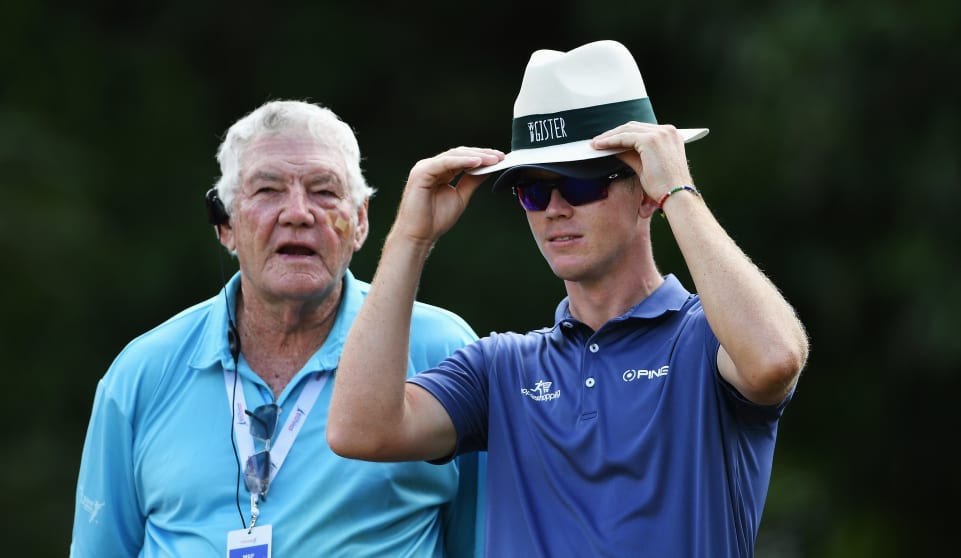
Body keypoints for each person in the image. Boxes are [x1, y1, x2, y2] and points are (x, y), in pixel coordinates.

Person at [327, 40, 810, 557]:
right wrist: (411, 239)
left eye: (579, 185)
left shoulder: (706, 338)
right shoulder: (502, 368)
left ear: (646, 189)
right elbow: (360, 429)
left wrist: (680, 192)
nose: (554, 209)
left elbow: (775, 359)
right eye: (532, 190)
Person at [70, 100, 485, 557]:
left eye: (324, 191)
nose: (298, 213)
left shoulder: (440, 348)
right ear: (224, 225)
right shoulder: (141, 374)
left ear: (361, 222)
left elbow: (486, 542)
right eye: (268, 190)